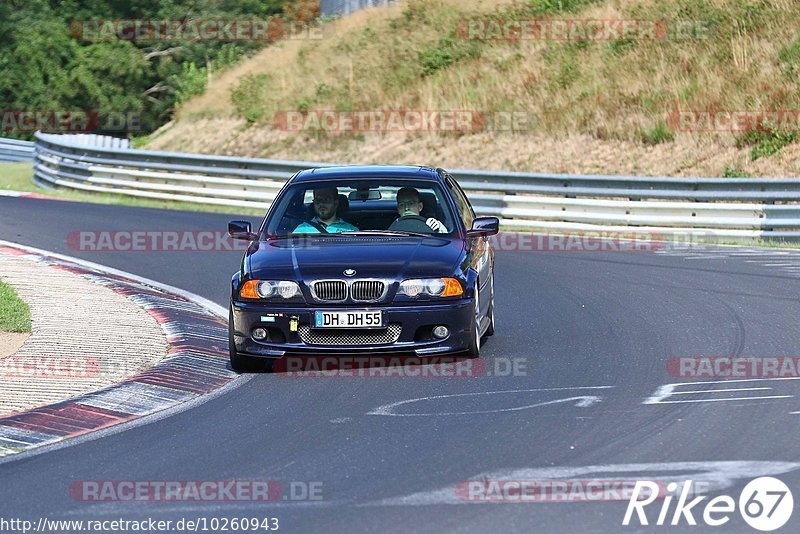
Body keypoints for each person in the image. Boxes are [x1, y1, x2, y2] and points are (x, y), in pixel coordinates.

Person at [292, 187, 358, 233]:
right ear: (314, 202)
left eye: (326, 200)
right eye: (318, 200)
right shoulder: (302, 229)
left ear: (336, 203)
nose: (322, 204)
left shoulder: (351, 230)